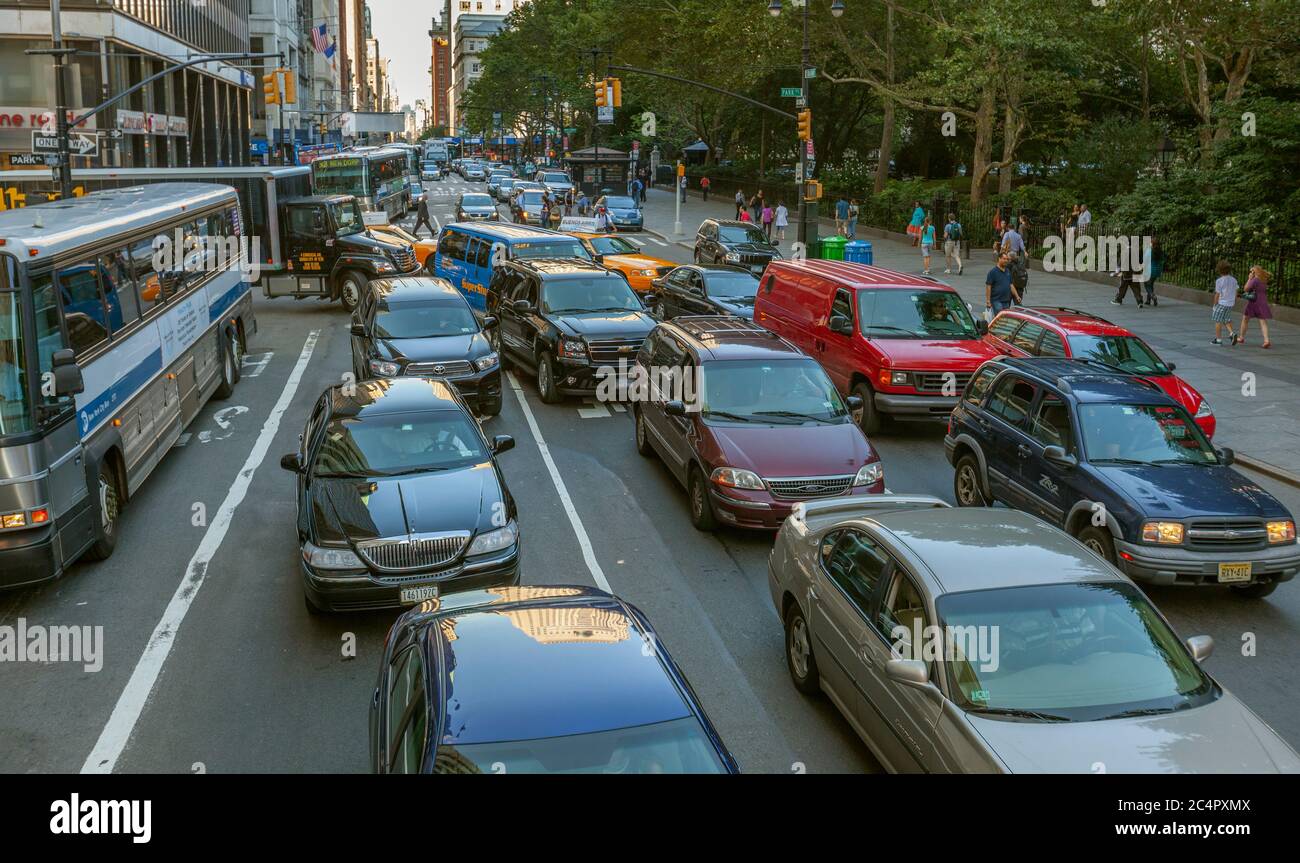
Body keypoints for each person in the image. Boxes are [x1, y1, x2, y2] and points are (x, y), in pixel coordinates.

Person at [1238, 265, 1274, 348]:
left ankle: (1241, 337)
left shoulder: (1254, 280)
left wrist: (1249, 279)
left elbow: (1246, 289)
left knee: (1245, 319)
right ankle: (1266, 340)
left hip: (1254, 303)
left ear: (1254, 272)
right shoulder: (1264, 280)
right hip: (1263, 302)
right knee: (1263, 322)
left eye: (1251, 271)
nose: (1250, 273)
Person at [1211, 260, 1239, 345]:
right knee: (1226, 319)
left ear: (1219, 270)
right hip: (1230, 303)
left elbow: (1217, 294)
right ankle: (1231, 333)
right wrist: (1233, 300)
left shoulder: (1219, 281)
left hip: (1221, 303)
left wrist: (1215, 304)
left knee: (1218, 320)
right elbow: (1236, 290)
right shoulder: (1233, 280)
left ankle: (1218, 339)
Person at [985, 253, 1020, 317]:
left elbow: (1011, 285)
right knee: (1000, 318)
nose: (1006, 261)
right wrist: (988, 301)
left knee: (1005, 319)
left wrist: (1017, 296)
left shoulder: (1007, 271)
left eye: (1007, 259)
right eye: (1004, 259)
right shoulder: (993, 272)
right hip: (996, 301)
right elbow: (988, 287)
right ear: (999, 259)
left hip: (1006, 301)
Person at [1143, 238, 1166, 307]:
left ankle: (1153, 296)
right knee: (1151, 284)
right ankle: (1148, 300)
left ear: (1152, 244)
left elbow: (1145, 260)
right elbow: (1163, 260)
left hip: (1149, 270)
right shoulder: (1161, 251)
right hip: (1157, 270)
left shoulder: (1149, 251)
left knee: (1146, 284)